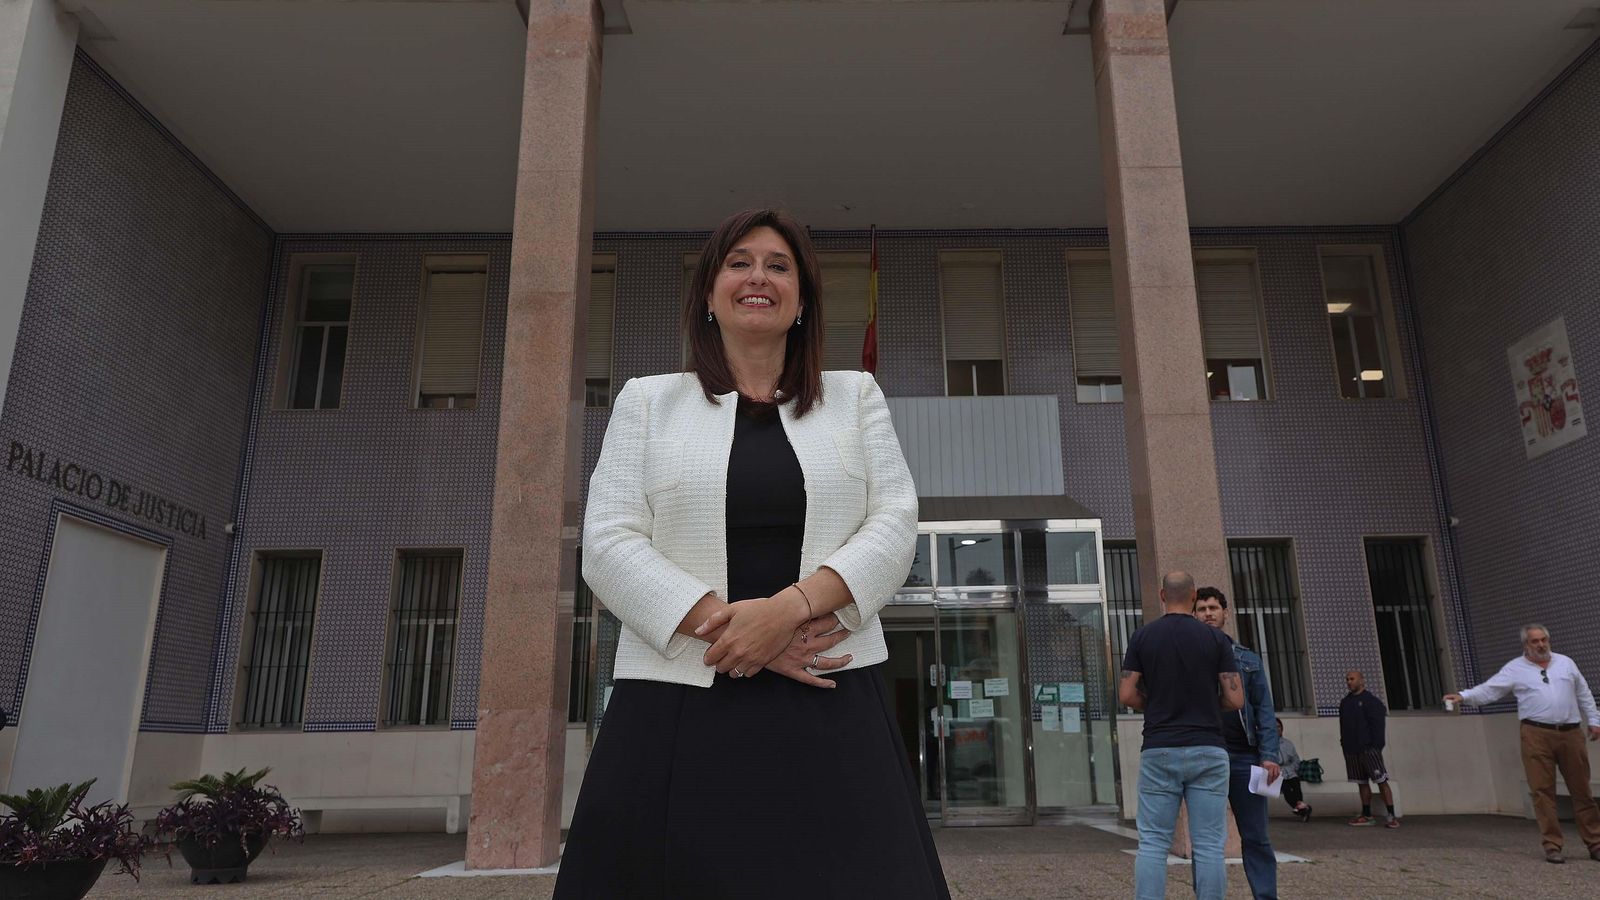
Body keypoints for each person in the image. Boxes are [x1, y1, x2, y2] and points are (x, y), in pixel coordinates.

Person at [556, 209, 948, 898]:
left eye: (778, 265)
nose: (757, 277)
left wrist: (789, 611)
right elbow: (609, 542)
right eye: (738, 263)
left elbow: (894, 521)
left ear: (802, 301)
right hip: (680, 692)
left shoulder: (855, 398)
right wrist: (739, 630)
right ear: (709, 294)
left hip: (830, 687)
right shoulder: (648, 403)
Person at [1119, 571, 1244, 900]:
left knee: (1153, 844)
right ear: (1193, 597)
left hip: (1160, 748)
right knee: (1208, 846)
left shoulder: (1143, 637)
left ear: (1162, 596)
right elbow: (1236, 698)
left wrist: (1155, 705)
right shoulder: (1217, 640)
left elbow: (1127, 694)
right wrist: (1207, 705)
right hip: (1208, 749)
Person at [1445, 624, 1600, 864]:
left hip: (1570, 732)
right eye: (1534, 641)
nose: (1541, 645)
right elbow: (1491, 690)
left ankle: (1595, 843)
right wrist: (1464, 696)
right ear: (1526, 646)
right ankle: (1552, 845)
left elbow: (1584, 693)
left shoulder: (1565, 663)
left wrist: (1594, 720)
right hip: (1536, 733)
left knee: (1582, 790)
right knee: (1542, 791)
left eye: (1543, 640)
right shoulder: (1515, 669)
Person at [1193, 586, 1280, 900]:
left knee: (1256, 836)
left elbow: (1265, 710)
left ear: (1224, 613)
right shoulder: (1188, 660)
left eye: (1213, 608)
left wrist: (1270, 755)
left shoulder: (1246, 659)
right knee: (1206, 840)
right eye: (1202, 609)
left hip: (1247, 759)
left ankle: (1266, 896)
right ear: (1194, 615)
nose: (1208, 614)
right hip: (1207, 756)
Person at [1339, 670, 1398, 828]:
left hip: (1370, 749)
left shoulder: (1372, 702)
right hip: (1352, 749)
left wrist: (1375, 746)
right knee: (1361, 782)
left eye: (1352, 679)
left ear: (1361, 681)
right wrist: (1344, 744)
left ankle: (1391, 815)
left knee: (1381, 780)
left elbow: (1378, 726)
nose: (1349, 682)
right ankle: (1366, 814)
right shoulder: (1345, 702)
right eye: (1347, 679)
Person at [1275, 718, 1312, 822]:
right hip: (1277, 774)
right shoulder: (1268, 745)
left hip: (1290, 771)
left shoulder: (1288, 743)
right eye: (1274, 727)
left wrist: (1292, 768)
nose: (1277, 729)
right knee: (1287, 790)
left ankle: (1301, 808)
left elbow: (1295, 759)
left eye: (1278, 727)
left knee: (1296, 786)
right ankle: (1304, 808)